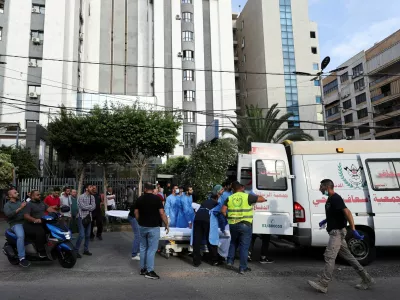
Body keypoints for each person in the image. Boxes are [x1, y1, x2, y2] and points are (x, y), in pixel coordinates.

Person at [308, 179, 375, 293]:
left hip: (337, 233)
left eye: (321, 187)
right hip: (336, 232)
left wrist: (353, 229)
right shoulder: (330, 199)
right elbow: (336, 213)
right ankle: (367, 279)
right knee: (349, 257)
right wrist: (325, 221)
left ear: (327, 187)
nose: (320, 189)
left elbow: (347, 212)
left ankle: (323, 283)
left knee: (330, 257)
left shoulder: (335, 198)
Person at [222, 181, 266, 275]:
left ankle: (230, 261)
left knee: (233, 242)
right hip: (245, 225)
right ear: (241, 188)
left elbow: (223, 210)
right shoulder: (247, 196)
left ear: (233, 189)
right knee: (244, 247)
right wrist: (254, 194)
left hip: (233, 224)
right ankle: (243, 267)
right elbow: (262, 199)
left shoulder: (229, 198)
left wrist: (228, 217)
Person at [135, 182, 169, 280]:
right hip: (153, 227)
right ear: (152, 189)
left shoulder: (140, 199)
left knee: (143, 247)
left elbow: (136, 212)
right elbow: (162, 213)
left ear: (145, 189)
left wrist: (139, 221)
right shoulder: (157, 199)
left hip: (142, 226)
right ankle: (150, 271)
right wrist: (166, 224)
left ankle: (142, 269)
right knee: (152, 249)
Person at [191, 185, 224, 267]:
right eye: (221, 190)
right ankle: (214, 260)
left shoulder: (205, 202)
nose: (222, 191)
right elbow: (220, 215)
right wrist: (223, 226)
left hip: (197, 219)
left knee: (197, 240)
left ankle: (196, 261)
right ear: (217, 195)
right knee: (211, 239)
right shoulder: (217, 204)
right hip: (207, 219)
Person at [23, 190, 57, 258]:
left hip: (42, 222)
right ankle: (41, 251)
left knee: (53, 230)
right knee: (41, 232)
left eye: (39, 194)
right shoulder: (29, 204)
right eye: (37, 195)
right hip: (31, 224)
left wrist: (58, 213)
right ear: (32, 196)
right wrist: (35, 220)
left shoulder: (42, 203)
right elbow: (26, 216)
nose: (40, 196)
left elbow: (50, 209)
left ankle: (52, 247)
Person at [3, 189, 30, 267]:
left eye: (17, 192)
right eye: (15, 193)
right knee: (20, 236)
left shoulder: (20, 202)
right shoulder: (7, 205)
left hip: (26, 222)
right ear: (10, 195)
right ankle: (22, 258)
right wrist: (20, 208)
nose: (17, 193)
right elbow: (8, 215)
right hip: (16, 224)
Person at [75, 184, 96, 258]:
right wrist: (90, 207)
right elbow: (82, 207)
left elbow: (94, 207)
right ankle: (75, 251)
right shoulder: (81, 197)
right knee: (81, 235)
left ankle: (86, 250)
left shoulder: (92, 197)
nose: (92, 188)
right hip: (81, 217)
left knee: (87, 235)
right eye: (90, 187)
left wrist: (89, 207)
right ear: (86, 189)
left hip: (89, 218)